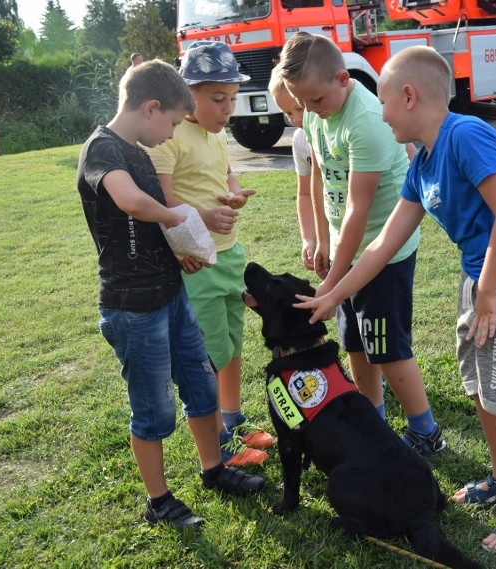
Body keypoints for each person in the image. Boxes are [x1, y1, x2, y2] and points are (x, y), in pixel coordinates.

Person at [295, 45, 496, 554]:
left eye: (385, 102)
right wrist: (332, 294)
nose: (381, 111)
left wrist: (486, 295)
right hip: (480, 279)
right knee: (480, 383)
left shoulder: (466, 136)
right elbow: (380, 246)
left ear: (409, 97)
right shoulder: (421, 165)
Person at [76, 59, 265, 531]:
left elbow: (159, 209)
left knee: (201, 388)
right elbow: (133, 202)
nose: (172, 133)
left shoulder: (140, 149)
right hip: (132, 307)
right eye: (174, 123)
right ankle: (158, 501)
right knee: (153, 407)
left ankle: (213, 469)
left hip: (172, 296)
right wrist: (190, 220)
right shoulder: (104, 149)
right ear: (151, 107)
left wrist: (190, 245)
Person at [278, 32, 447, 456]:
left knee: (386, 347)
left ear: (342, 79)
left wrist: (333, 286)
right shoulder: (316, 112)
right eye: (302, 103)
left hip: (382, 253)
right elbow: (319, 177)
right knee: (355, 341)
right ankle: (376, 422)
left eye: (315, 100)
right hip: (345, 250)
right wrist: (320, 240)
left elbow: (357, 209)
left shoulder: (367, 121)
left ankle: (424, 431)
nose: (309, 111)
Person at [150, 41, 274, 468]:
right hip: (196, 263)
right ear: (187, 95)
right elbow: (161, 200)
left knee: (234, 345)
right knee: (206, 355)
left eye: (232, 100)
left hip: (230, 257)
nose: (227, 109)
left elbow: (224, 172)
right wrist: (204, 217)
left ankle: (234, 420)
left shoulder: (216, 133)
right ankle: (218, 438)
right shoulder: (169, 135)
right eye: (218, 99)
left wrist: (235, 193)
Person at [269, 68, 315, 270]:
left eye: (299, 108)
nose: (295, 119)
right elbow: (305, 193)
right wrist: (309, 239)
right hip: (331, 232)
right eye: (287, 113)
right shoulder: (300, 139)